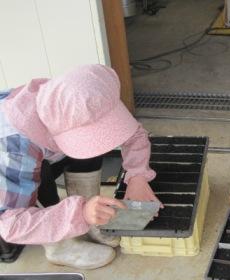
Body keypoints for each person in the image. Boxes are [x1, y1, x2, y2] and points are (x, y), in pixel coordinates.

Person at [0, 64, 160, 269]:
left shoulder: (73, 98)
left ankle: (88, 221)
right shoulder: (14, 149)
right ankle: (58, 245)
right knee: (40, 176)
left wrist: (138, 176)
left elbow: (133, 135)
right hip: (7, 184)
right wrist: (80, 213)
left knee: (92, 147)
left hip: (32, 149)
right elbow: (10, 224)